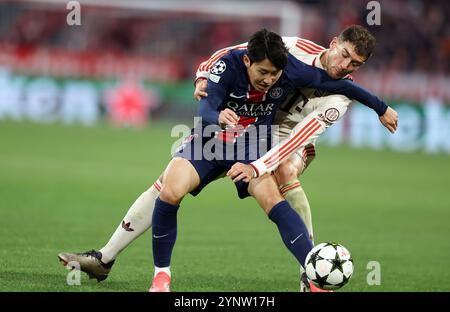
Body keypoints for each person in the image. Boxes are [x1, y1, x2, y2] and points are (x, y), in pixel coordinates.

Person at [58, 27, 397, 292]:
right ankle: (107, 258)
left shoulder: (338, 94)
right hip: (236, 132)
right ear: (334, 43)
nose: (345, 66)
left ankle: (312, 274)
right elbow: (230, 56)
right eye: (344, 55)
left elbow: (302, 133)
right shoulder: (291, 52)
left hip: (284, 138)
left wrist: (381, 107)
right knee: (167, 187)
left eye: (355, 64)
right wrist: (203, 76)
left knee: (285, 178)